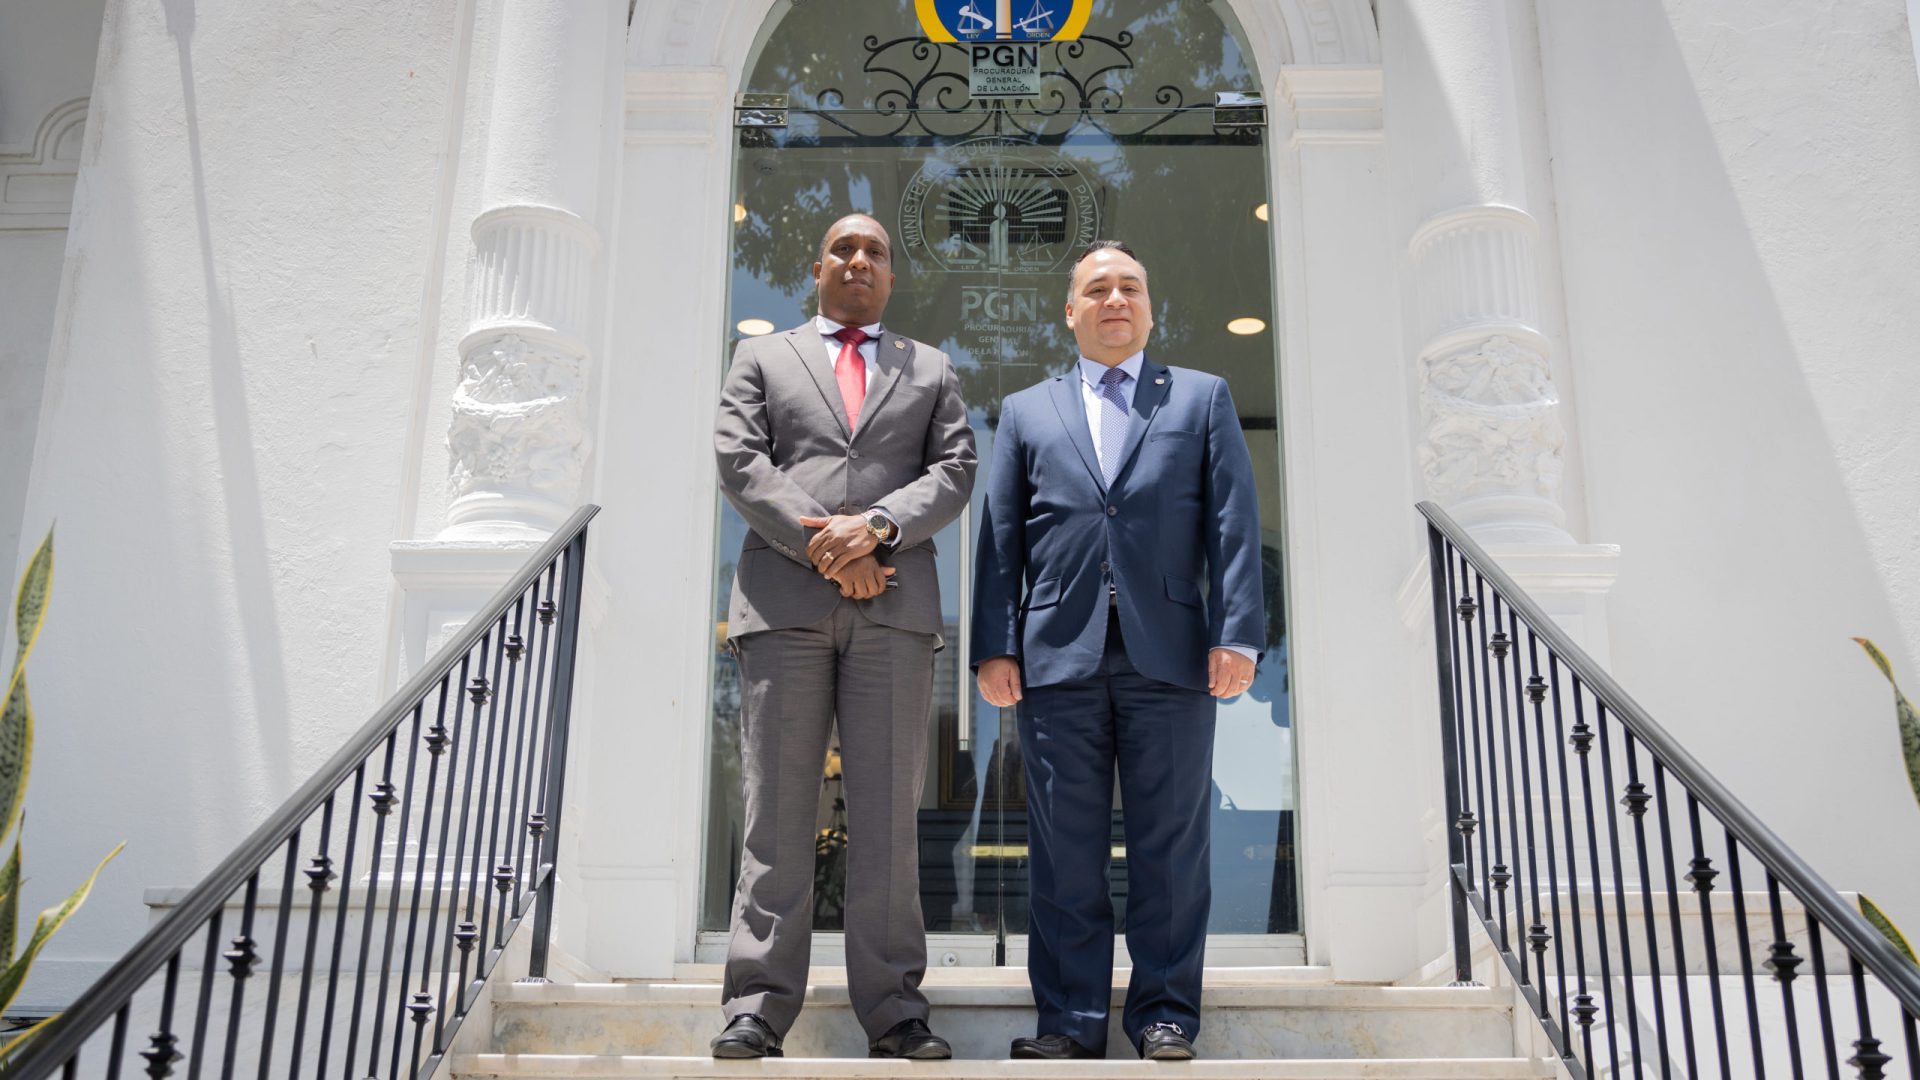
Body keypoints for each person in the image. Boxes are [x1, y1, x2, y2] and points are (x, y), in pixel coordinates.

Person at [971, 240, 1265, 1061]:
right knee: (1064, 852)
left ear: (1149, 307)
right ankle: (1069, 1024)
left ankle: (1164, 1014)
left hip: (1169, 656)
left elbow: (1233, 524)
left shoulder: (1201, 398)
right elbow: (1001, 538)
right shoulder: (1026, 410)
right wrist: (994, 646)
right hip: (1055, 658)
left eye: (1130, 287)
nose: (1115, 300)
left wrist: (1237, 632)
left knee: (1171, 847)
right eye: (1097, 289)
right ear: (1070, 312)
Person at [711, 213, 977, 1060]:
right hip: (783, 608)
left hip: (893, 611)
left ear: (891, 277)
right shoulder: (762, 356)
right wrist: (830, 544)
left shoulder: (930, 368)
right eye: (844, 249)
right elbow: (740, 459)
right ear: (818, 267)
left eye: (876, 253)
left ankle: (895, 1011)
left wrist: (878, 531)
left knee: (889, 820)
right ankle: (758, 1007)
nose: (860, 260)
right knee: (776, 814)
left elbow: (956, 470)